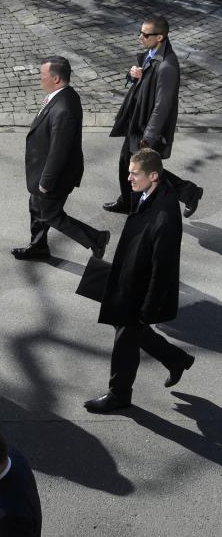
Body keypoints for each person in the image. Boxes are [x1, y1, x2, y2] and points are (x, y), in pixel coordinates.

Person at [85, 149, 195, 413]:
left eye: (134, 173)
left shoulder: (165, 218)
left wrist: (149, 308)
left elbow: (163, 270)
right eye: (129, 172)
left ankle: (119, 394)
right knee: (129, 330)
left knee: (125, 339)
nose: (129, 178)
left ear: (153, 176)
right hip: (129, 278)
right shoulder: (151, 190)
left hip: (140, 290)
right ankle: (175, 358)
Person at [104, 15, 203, 218]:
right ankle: (127, 201)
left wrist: (148, 137)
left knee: (147, 170)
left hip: (146, 127)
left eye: (145, 34)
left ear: (159, 37)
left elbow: (162, 106)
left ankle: (188, 191)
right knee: (127, 162)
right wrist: (131, 75)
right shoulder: (151, 53)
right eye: (140, 32)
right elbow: (141, 83)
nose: (140, 37)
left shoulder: (168, 66)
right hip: (137, 120)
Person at [11, 56, 110, 261]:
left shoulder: (63, 109)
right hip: (44, 172)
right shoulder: (63, 96)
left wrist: (45, 183)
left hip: (54, 176)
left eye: (42, 75)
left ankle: (96, 239)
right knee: (36, 207)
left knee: (50, 215)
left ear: (56, 79)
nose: (39, 78)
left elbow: (59, 151)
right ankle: (38, 247)